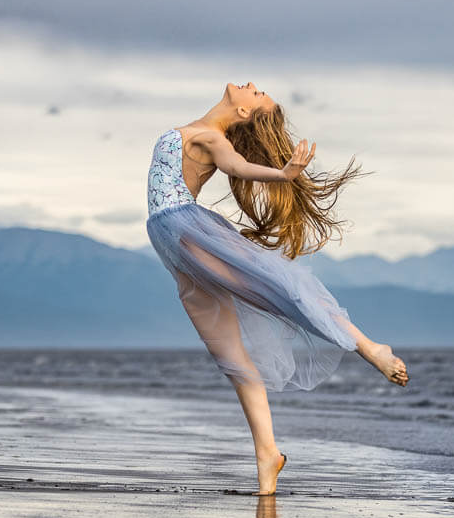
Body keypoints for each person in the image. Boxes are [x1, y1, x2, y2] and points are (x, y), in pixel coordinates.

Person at [145, 82, 409, 495]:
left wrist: (283, 174)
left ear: (245, 113)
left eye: (258, 94)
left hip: (188, 231)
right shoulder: (200, 131)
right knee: (231, 358)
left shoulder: (211, 137)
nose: (253, 87)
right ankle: (267, 454)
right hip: (174, 243)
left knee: (279, 290)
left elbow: (236, 166)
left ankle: (368, 347)